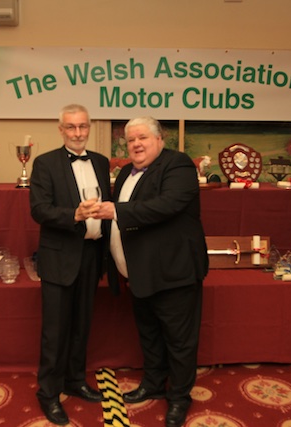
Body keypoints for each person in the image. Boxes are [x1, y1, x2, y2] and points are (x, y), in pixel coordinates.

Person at [92, 116, 208, 427]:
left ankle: (179, 398)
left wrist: (114, 210)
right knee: (150, 334)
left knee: (179, 341)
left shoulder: (178, 165)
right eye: (130, 140)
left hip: (173, 272)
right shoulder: (127, 172)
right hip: (140, 273)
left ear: (159, 139)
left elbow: (166, 205)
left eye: (142, 138)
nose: (136, 144)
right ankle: (154, 384)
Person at [29, 104, 113, 426]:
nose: (78, 133)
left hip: (92, 254)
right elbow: (39, 209)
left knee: (82, 325)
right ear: (61, 129)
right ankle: (48, 393)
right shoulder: (45, 163)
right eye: (71, 127)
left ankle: (75, 380)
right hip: (59, 257)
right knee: (55, 331)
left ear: (89, 127)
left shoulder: (101, 162)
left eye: (83, 126)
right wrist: (73, 215)